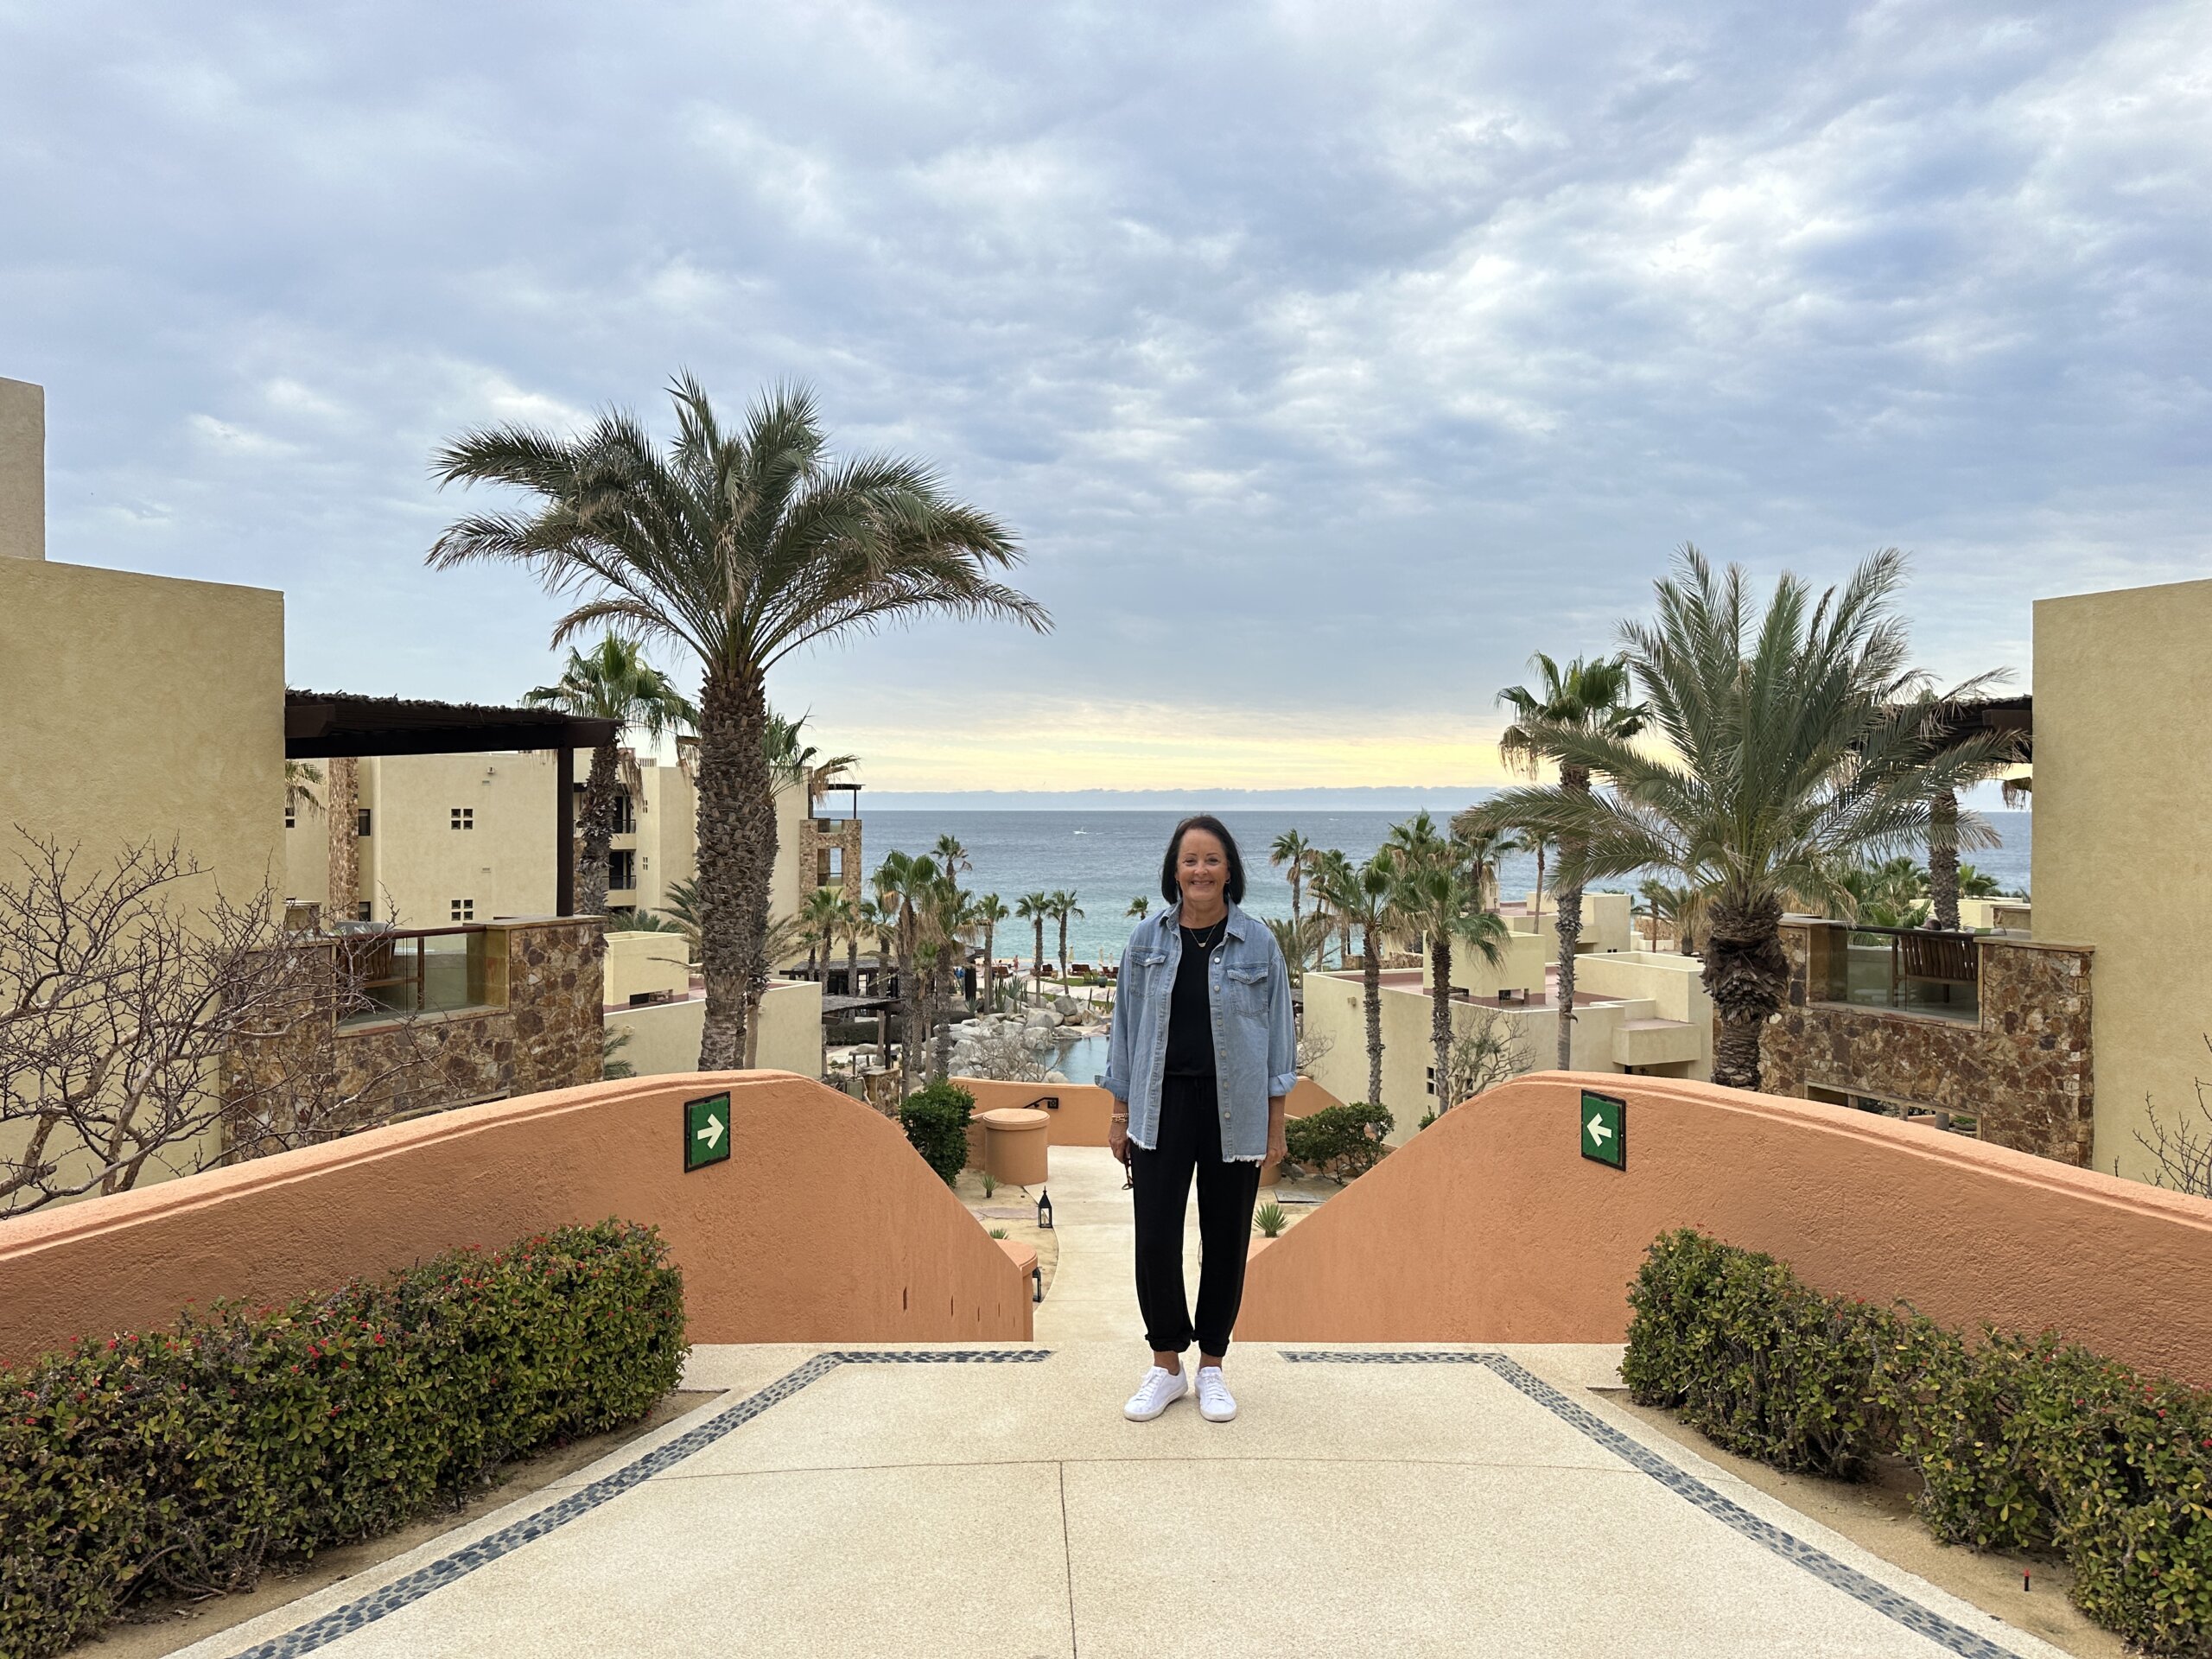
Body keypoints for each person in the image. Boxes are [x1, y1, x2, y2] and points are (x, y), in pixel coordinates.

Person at [1101, 815, 1294, 1423]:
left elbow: (1281, 1039)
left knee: (1226, 1242)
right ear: (1174, 871)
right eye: (1190, 861)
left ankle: (1212, 1366)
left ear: (1229, 869)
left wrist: (1276, 1122)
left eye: (1212, 860)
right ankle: (1165, 1366)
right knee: (1155, 1238)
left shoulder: (1258, 944)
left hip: (1231, 1110)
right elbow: (1125, 1032)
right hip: (1160, 1108)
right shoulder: (1145, 941)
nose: (1200, 871)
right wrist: (1119, 1111)